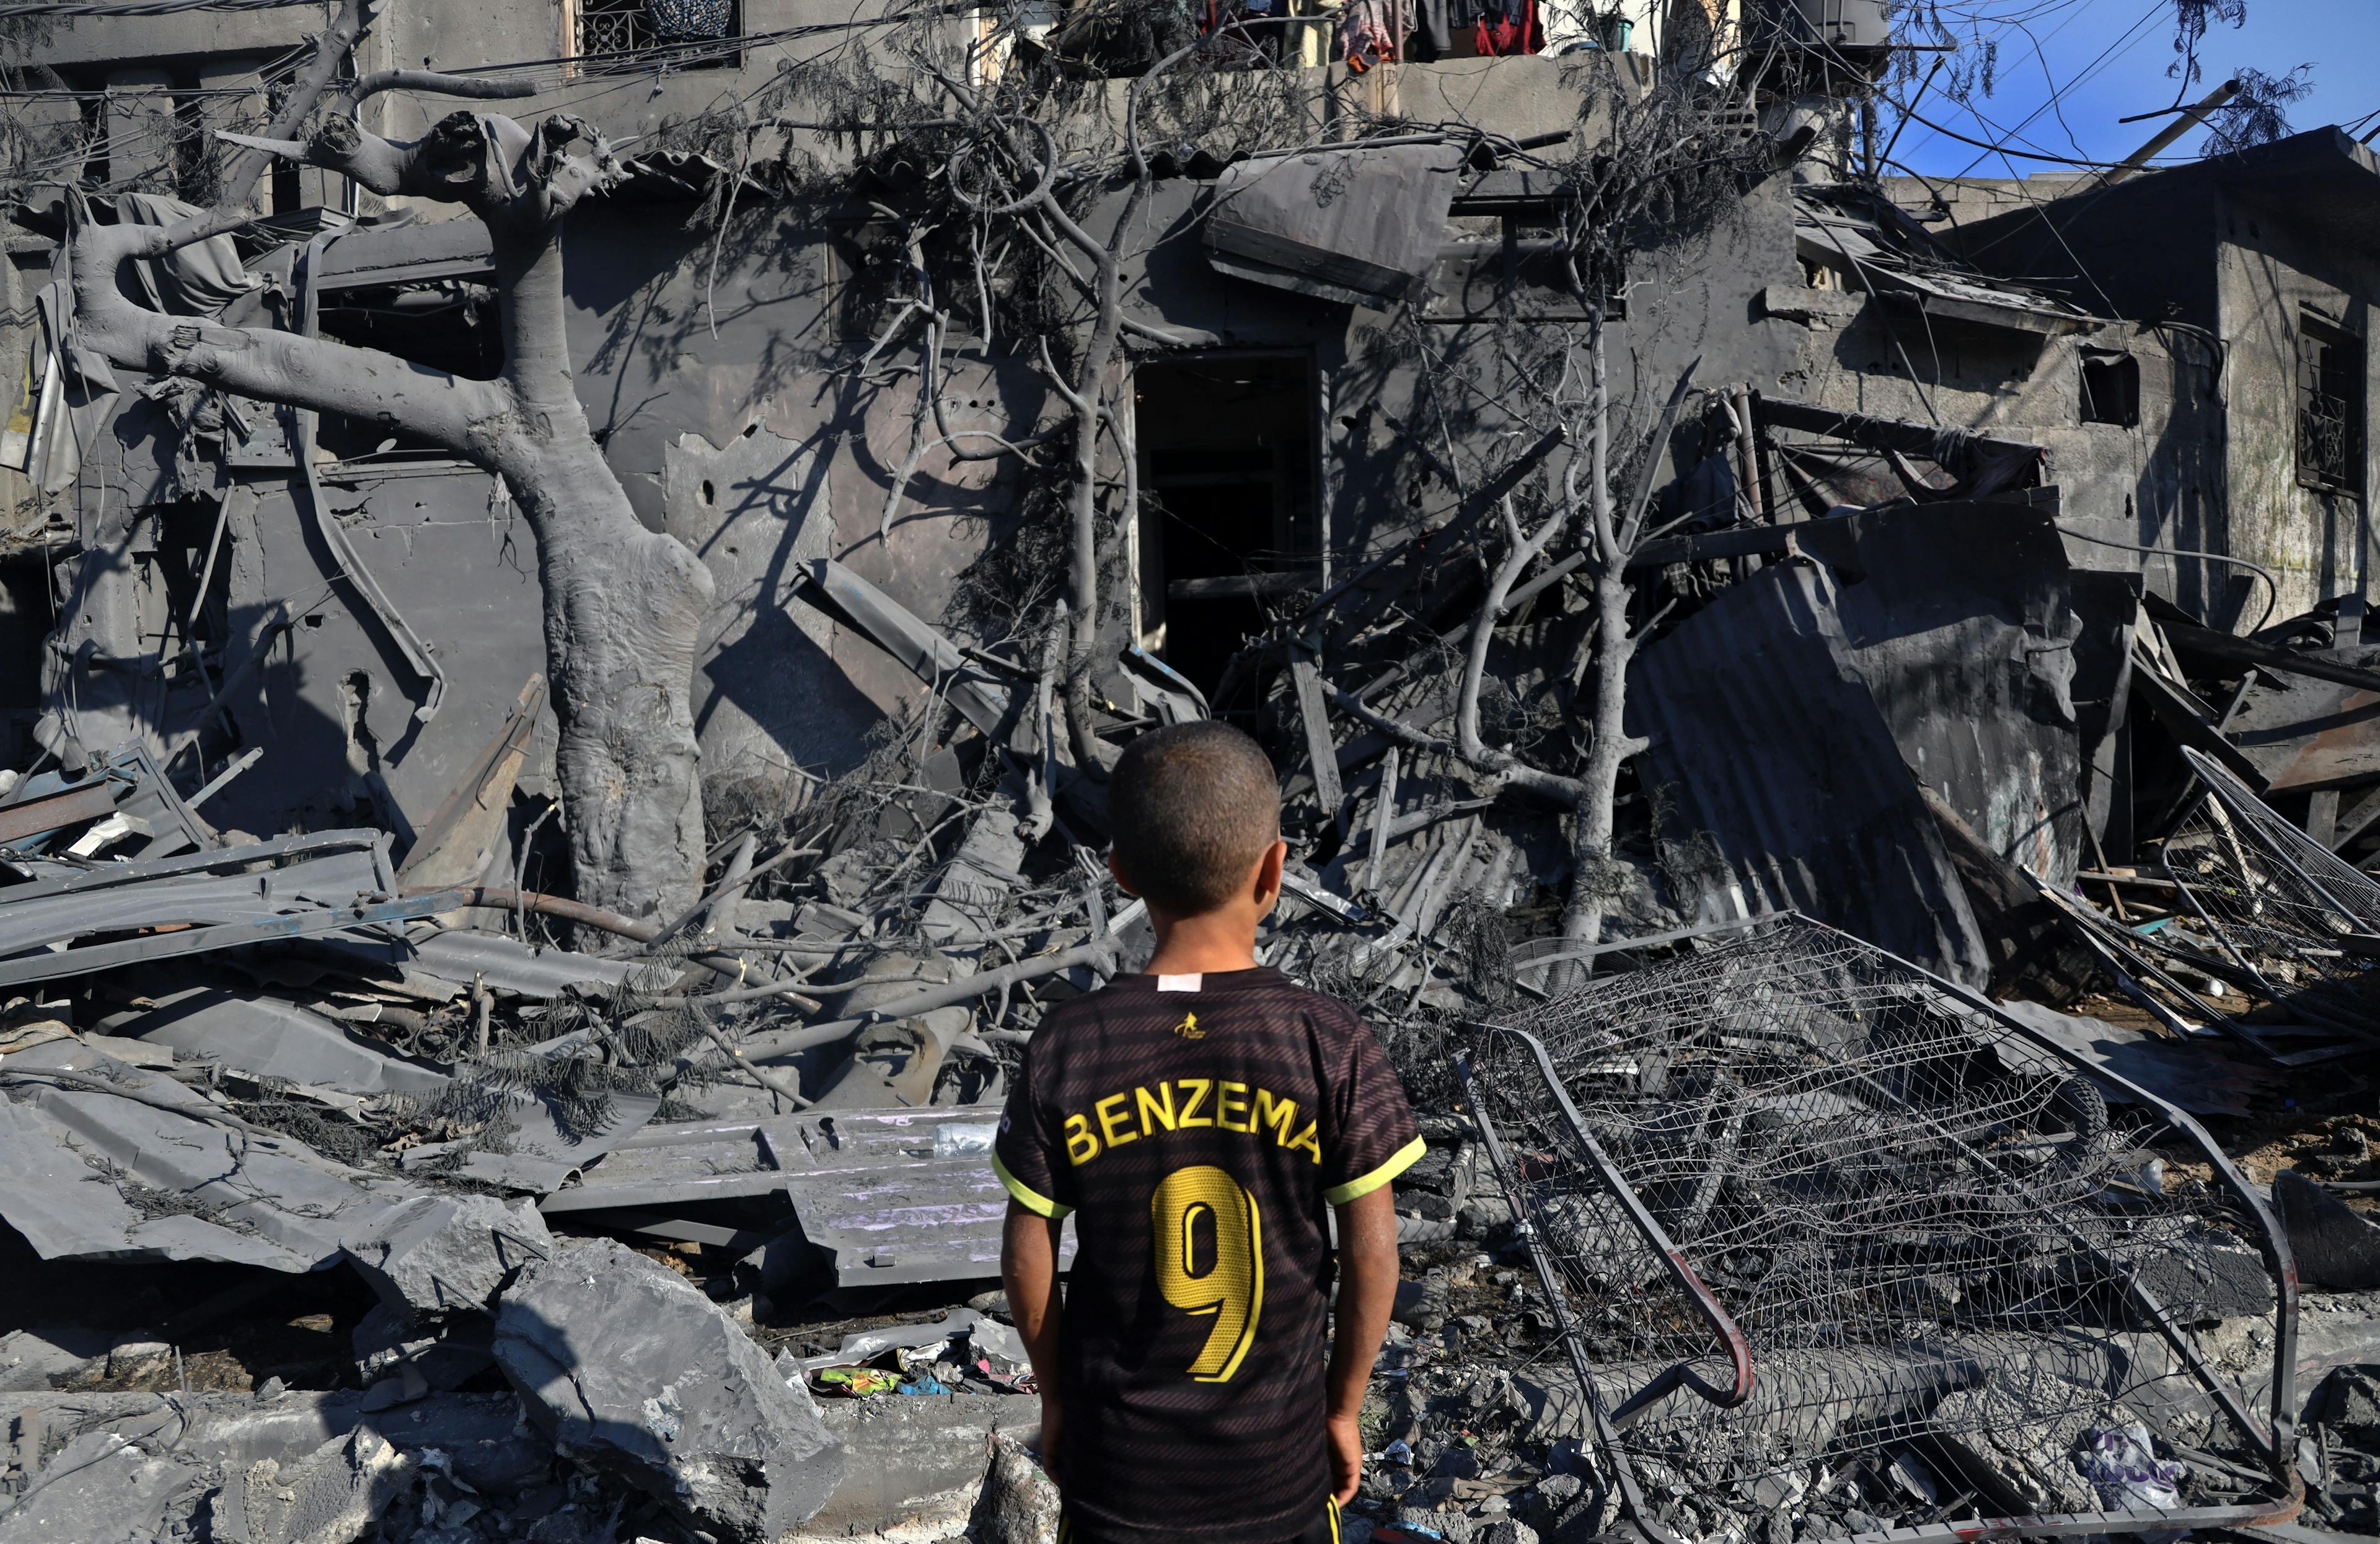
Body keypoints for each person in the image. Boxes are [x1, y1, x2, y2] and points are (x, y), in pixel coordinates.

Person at [994, 721, 1423, 1544]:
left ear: (1118, 872)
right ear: (1274, 868)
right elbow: (1372, 1253)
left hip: (1118, 1481)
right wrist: (1341, 1409)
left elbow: (1027, 1250)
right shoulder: (1326, 1039)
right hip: (1278, 1478)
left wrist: (1056, 1399)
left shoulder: (1070, 1044)